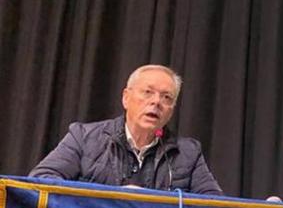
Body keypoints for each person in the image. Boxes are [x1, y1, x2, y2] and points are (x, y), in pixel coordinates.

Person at [29, 64, 223, 195]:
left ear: (172, 110)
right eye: (148, 92)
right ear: (126, 98)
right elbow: (40, 181)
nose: (156, 102)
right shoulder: (84, 137)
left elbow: (213, 204)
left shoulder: (188, 152)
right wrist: (110, 199)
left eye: (167, 98)